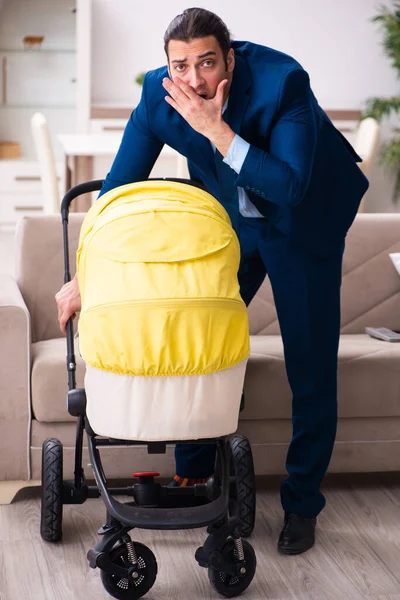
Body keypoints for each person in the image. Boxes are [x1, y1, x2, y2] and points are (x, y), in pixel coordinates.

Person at [56, 7, 369, 555]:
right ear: (166, 67)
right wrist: (85, 275)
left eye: (206, 62)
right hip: (236, 224)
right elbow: (116, 191)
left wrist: (216, 131)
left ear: (230, 57)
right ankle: (194, 478)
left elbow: (291, 187)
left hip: (304, 220)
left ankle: (301, 504)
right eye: (181, 65)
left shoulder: (282, 82)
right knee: (192, 339)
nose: (194, 79)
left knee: (311, 366)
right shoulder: (159, 95)